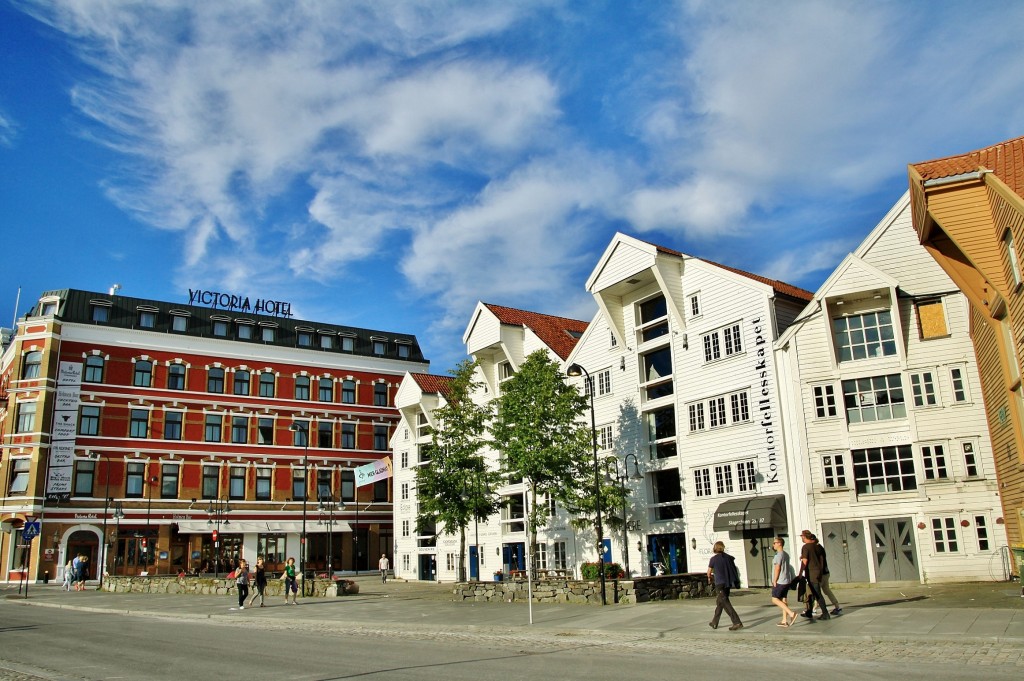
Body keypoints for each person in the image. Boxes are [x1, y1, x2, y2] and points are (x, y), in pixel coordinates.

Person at [706, 541, 743, 631]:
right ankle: (714, 622)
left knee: (725, 602)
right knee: (720, 602)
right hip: (728, 583)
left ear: (715, 548)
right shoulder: (728, 558)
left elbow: (709, 572)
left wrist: (709, 578)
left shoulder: (713, 559)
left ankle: (737, 622)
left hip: (720, 584)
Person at [798, 529, 830, 621]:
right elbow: (821, 559)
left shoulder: (806, 547)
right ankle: (809, 612)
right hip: (817, 572)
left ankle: (825, 613)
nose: (802, 538)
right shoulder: (818, 546)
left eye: (802, 537)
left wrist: (800, 573)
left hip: (811, 573)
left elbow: (805, 561)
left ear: (804, 537)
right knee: (811, 593)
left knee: (817, 593)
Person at [770, 537, 799, 627]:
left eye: (774, 543)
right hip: (786, 580)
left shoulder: (779, 555)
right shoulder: (786, 554)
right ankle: (784, 620)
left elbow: (777, 568)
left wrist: (774, 580)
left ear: (779, 543)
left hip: (780, 581)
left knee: (774, 599)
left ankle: (791, 614)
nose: (773, 545)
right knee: (783, 599)